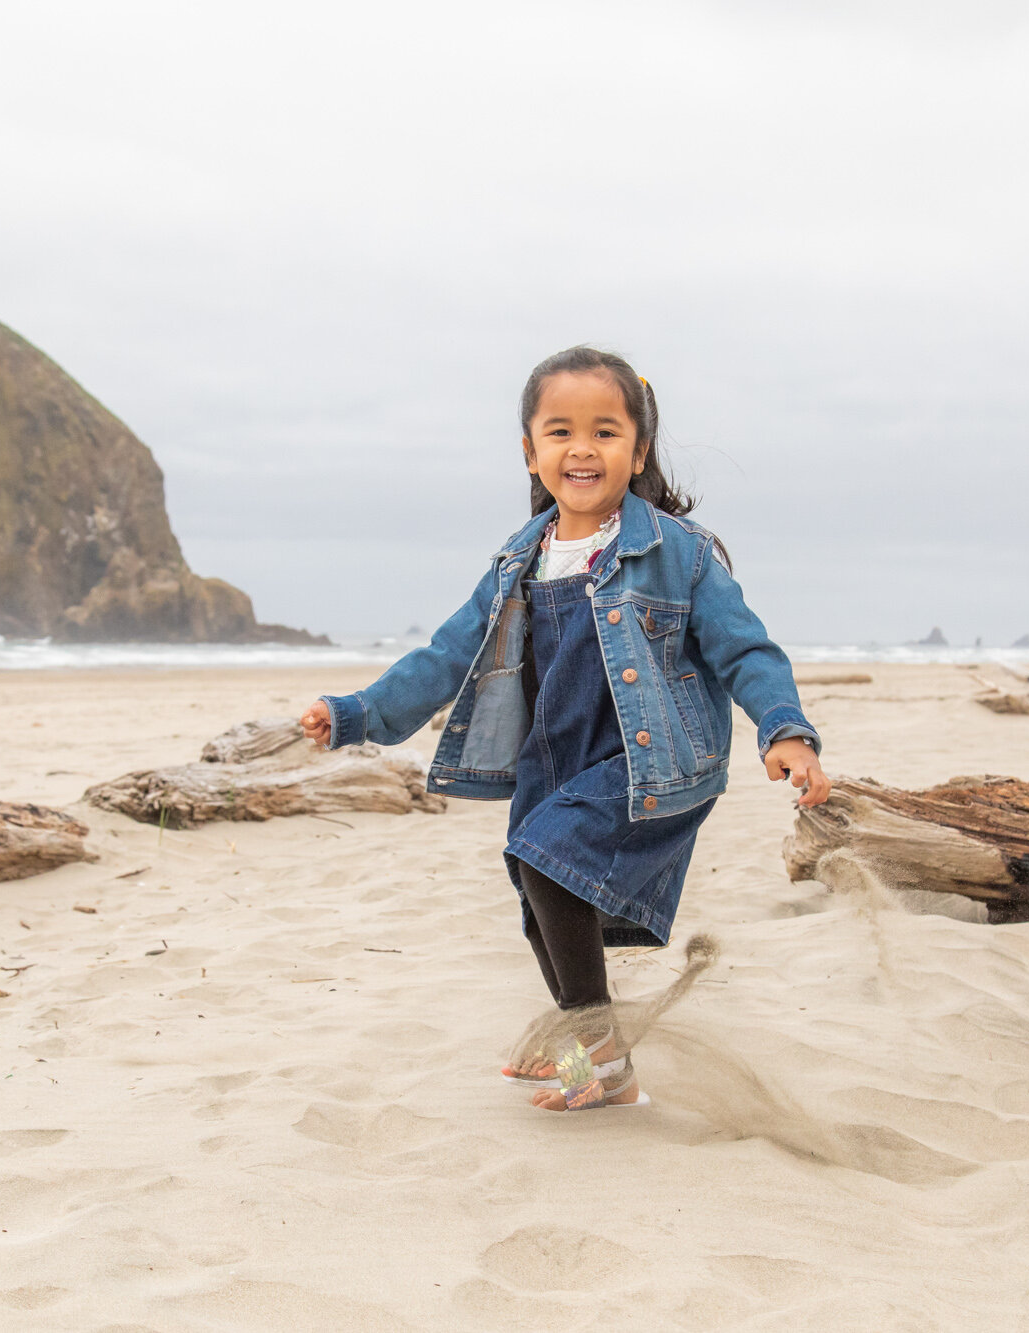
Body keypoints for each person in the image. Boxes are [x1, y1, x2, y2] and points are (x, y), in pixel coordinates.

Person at [300, 346, 829, 1112]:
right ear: (530, 452)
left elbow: (745, 647)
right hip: (556, 760)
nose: (582, 448)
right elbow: (446, 656)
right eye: (560, 431)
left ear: (638, 449)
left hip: (652, 759)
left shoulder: (677, 554)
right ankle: (600, 1078)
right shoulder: (519, 560)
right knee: (543, 911)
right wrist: (356, 713)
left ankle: (601, 1053)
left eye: (606, 431)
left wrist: (786, 729)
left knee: (546, 860)